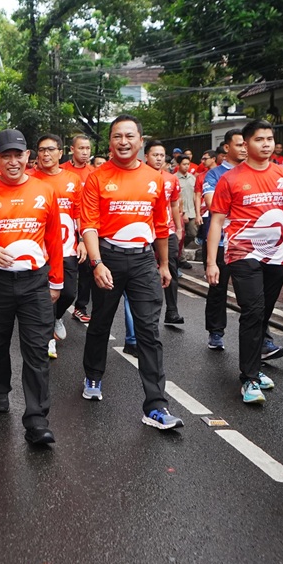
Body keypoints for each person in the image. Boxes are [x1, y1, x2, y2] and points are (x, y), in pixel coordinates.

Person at [79, 115, 183, 430]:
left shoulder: (156, 179)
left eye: (129, 136)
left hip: (143, 261)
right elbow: (89, 225)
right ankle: (93, 376)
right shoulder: (97, 178)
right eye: (117, 137)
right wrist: (97, 263)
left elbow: (162, 227)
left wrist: (163, 264)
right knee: (100, 322)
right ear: (110, 142)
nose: (123, 142)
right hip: (108, 257)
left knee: (149, 333)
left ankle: (156, 406)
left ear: (140, 140)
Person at [0, 129, 63, 445]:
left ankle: (37, 420)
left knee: (36, 350)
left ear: (27, 157)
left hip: (35, 282)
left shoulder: (44, 191)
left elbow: (54, 239)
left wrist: (56, 280)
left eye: (18, 154)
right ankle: (0, 389)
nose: (12, 161)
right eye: (5, 155)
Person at [206, 120, 283, 404]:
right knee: (253, 310)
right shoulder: (230, 179)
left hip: (276, 255)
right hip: (242, 254)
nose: (266, 144)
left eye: (270, 138)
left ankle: (255, 369)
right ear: (246, 146)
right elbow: (217, 222)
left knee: (263, 314)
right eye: (259, 139)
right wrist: (212, 262)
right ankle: (249, 378)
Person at [31, 134, 84, 359]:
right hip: (39, 250)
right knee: (45, 294)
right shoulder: (30, 179)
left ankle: (56, 317)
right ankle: (48, 338)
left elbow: (80, 213)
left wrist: (82, 240)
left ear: (61, 153)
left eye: (51, 149)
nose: (46, 154)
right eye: (42, 150)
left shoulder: (73, 180)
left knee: (68, 292)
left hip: (68, 248)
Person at [201, 131, 246, 350]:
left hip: (248, 244)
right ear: (227, 148)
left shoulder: (254, 172)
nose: (245, 148)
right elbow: (213, 205)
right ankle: (216, 331)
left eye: (246, 144)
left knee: (253, 292)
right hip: (221, 242)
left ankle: (263, 337)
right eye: (239, 144)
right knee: (218, 288)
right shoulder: (214, 175)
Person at [145, 140, 185, 325]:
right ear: (146, 156)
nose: (159, 158)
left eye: (162, 155)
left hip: (166, 230)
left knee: (171, 268)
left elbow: (175, 204)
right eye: (155, 155)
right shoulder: (140, 176)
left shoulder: (171, 179)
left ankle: (172, 311)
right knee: (146, 271)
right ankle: (148, 311)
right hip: (145, 230)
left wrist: (178, 228)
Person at [62, 134, 94, 326]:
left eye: (88, 148)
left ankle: (81, 307)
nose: (85, 152)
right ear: (71, 149)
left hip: (86, 226)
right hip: (64, 227)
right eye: (81, 148)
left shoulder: (94, 173)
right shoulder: (62, 171)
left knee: (86, 268)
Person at [176, 156, 198, 248]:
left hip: (192, 211)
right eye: (184, 164)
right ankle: (179, 253)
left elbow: (196, 195)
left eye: (188, 164)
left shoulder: (192, 178)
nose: (186, 166)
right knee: (179, 234)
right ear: (178, 165)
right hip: (179, 212)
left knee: (193, 233)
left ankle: (182, 248)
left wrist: (198, 212)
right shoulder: (174, 178)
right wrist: (183, 212)